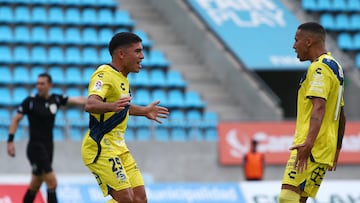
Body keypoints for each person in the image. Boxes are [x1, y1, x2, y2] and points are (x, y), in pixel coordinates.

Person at [81, 32, 169, 203]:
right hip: (100, 146)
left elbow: (121, 108)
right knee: (126, 199)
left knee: (140, 199)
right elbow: (90, 105)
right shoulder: (104, 73)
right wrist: (110, 106)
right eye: (137, 51)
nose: (142, 56)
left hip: (120, 148)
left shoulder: (122, 78)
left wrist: (143, 111)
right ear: (121, 54)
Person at [278, 22, 346, 203]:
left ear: (308, 42)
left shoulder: (319, 68)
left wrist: (308, 143)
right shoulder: (335, 67)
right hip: (324, 148)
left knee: (287, 198)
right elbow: (341, 113)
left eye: (296, 40)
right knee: (299, 199)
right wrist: (337, 147)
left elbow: (319, 106)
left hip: (311, 146)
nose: (294, 46)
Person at [7, 73, 86, 203]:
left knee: (35, 183)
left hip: (48, 147)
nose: (39, 86)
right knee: (52, 182)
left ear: (50, 85)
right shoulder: (30, 101)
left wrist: (98, 100)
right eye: (37, 83)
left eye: (42, 83)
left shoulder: (56, 99)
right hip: (35, 148)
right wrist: (10, 141)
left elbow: (78, 100)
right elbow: (16, 119)